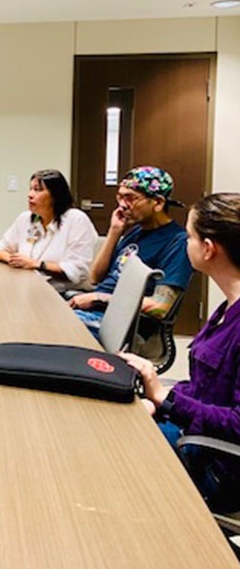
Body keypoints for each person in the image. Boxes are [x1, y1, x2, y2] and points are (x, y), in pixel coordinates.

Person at [120, 193, 240, 513]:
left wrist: (166, 399)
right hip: (198, 435)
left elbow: (238, 424)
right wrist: (158, 400)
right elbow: (208, 391)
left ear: (209, 248)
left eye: (189, 236)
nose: (186, 243)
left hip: (219, 468)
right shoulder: (227, 309)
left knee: (112, 451)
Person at [69, 166, 193, 339]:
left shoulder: (177, 242)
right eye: (120, 197)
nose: (122, 205)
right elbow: (95, 278)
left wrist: (99, 298)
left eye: (130, 198)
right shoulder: (135, 231)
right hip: (98, 311)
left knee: (50, 326)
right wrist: (114, 232)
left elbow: (160, 307)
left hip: (124, 324)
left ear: (158, 203)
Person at [0, 169, 97, 289]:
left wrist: (36, 264)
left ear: (55, 195)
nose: (30, 195)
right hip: (25, 286)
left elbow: (78, 270)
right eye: (30, 189)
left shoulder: (75, 219)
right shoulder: (25, 218)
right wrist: (16, 260)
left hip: (62, 292)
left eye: (37, 190)